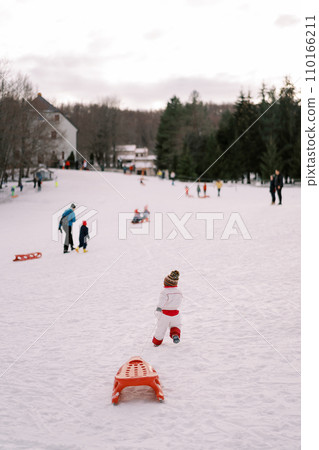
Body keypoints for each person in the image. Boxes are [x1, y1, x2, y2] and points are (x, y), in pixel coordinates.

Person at [152, 270, 183, 346]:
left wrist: (159, 308)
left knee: (161, 328)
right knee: (175, 326)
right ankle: (175, 335)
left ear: (166, 283)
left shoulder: (165, 292)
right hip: (175, 314)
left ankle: (157, 342)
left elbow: (162, 302)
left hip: (165, 314)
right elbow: (179, 301)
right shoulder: (179, 292)